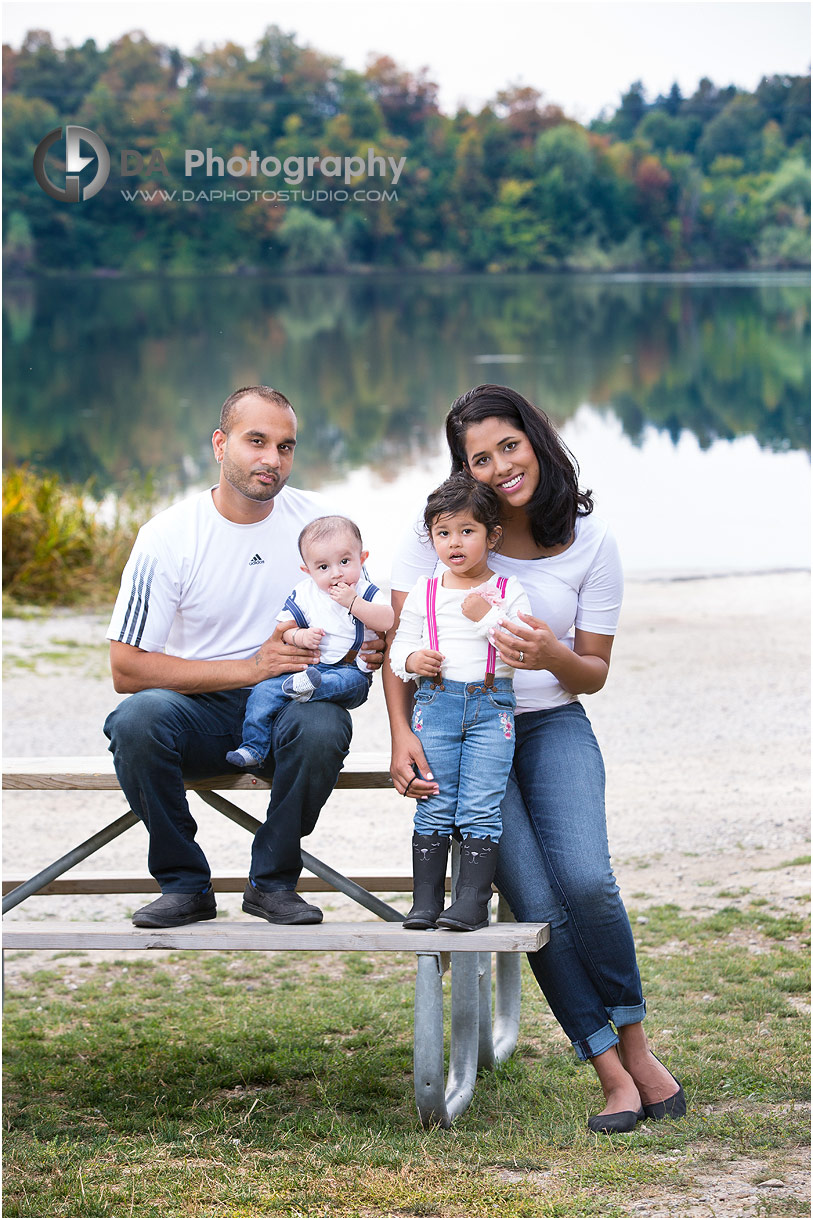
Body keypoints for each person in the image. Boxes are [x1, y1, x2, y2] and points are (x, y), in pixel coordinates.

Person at [384, 384, 686, 1134]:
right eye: (477, 458)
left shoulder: (590, 541)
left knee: (586, 880)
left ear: (536, 440)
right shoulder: (438, 531)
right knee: (537, 909)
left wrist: (548, 650)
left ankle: (638, 1047)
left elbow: (592, 671)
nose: (497, 467)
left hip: (550, 727)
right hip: (461, 735)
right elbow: (397, 651)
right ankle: (608, 1073)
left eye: (507, 446)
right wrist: (400, 735)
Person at [103, 385, 383, 930]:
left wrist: (374, 643)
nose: (271, 459)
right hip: (198, 712)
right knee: (137, 720)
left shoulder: (322, 528)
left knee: (324, 726)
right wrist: (251, 668)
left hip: (288, 706)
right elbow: (126, 667)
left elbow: (374, 610)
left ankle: (272, 884)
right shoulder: (167, 537)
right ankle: (184, 884)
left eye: (285, 446)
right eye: (256, 441)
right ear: (219, 444)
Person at [388, 475, 530, 931]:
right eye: (443, 533)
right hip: (437, 704)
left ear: (492, 536)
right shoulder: (424, 592)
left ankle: (471, 902)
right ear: (431, 537)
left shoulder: (509, 592)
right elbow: (396, 652)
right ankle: (425, 902)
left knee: (480, 804)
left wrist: (485, 615)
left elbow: (521, 651)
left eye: (467, 531)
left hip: (492, 708)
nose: (454, 543)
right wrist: (413, 658)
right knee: (434, 799)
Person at [225, 514, 394, 769]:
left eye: (345, 562)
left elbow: (387, 620)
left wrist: (353, 603)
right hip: (309, 669)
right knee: (263, 691)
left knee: (344, 683)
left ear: (362, 559)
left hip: (352, 672)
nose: (336, 573)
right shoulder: (305, 593)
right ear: (308, 571)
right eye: (323, 567)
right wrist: (300, 636)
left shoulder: (365, 591)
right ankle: (253, 747)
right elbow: (285, 631)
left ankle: (308, 689)